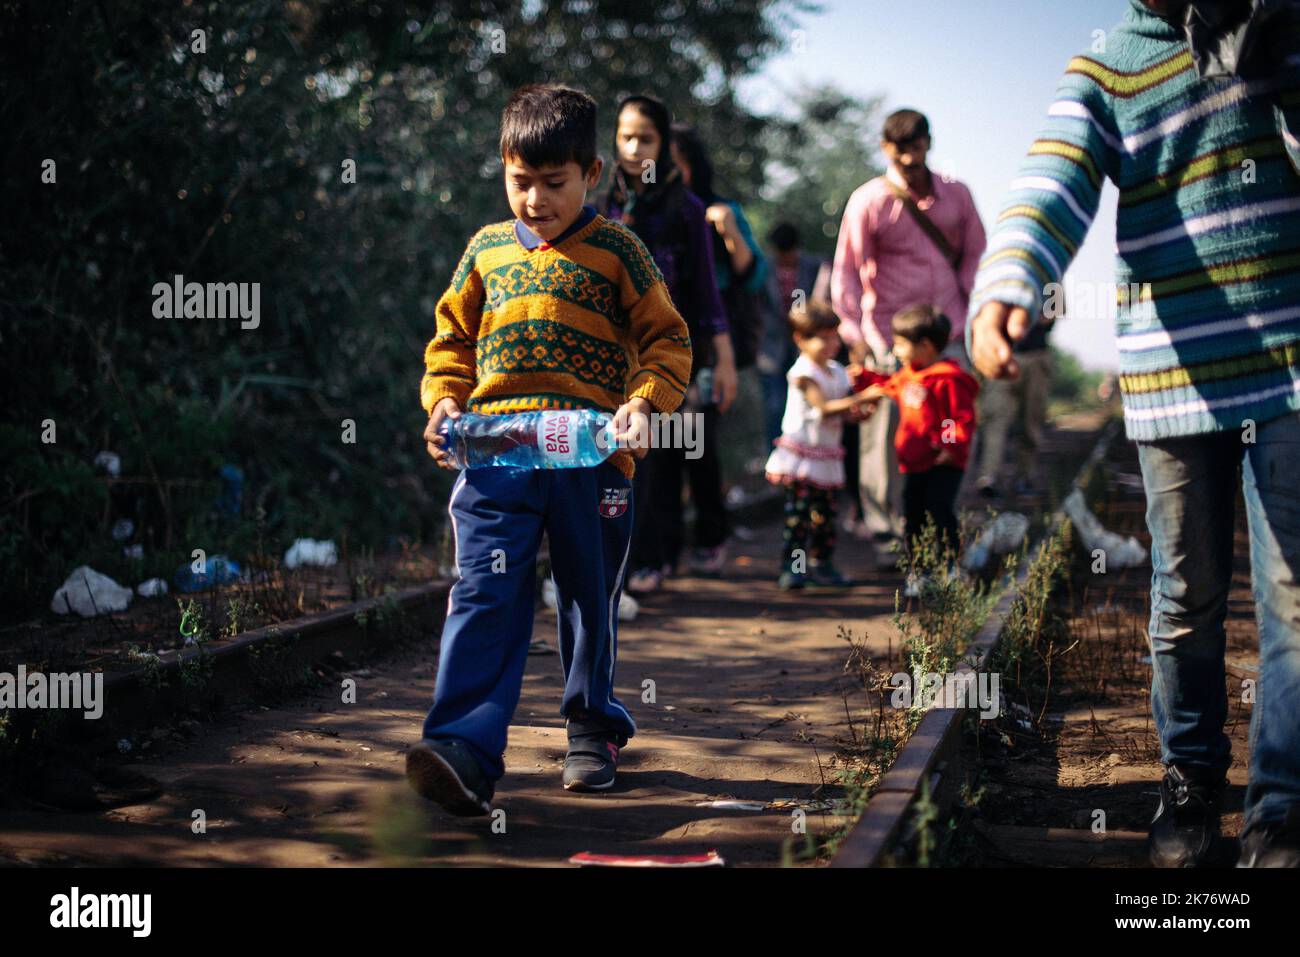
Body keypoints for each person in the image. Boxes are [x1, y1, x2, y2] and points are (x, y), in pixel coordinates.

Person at [967, 0, 1300, 867]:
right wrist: (1008, 283)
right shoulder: (1111, 64)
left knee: (1294, 600)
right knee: (1185, 595)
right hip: (1172, 371)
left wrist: (1274, 63)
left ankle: (1282, 807)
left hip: (1292, 363)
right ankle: (1188, 785)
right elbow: (1052, 180)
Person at [411, 84, 693, 815]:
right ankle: (463, 749)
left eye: (553, 183)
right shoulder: (484, 251)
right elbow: (451, 341)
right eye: (520, 182)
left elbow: (668, 338)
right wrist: (443, 400)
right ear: (503, 170)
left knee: (586, 596)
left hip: (591, 459)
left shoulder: (619, 251)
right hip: (496, 453)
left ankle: (590, 728)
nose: (535, 199)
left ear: (591, 174)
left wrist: (642, 401)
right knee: (482, 591)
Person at [832, 108, 987, 555]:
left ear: (928, 145)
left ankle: (940, 526)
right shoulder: (869, 200)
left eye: (915, 151)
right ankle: (887, 538)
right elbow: (846, 270)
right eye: (899, 153)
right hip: (888, 338)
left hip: (949, 333)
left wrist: (977, 316)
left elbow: (977, 256)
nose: (908, 161)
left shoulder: (958, 196)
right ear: (885, 148)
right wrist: (854, 333)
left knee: (951, 431)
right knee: (884, 438)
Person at [602, 95, 734, 594]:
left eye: (646, 139)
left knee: (658, 454)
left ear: (663, 144)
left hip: (667, 352)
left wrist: (723, 361)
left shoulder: (687, 208)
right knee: (616, 455)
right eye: (626, 137)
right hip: (610, 353)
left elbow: (705, 289)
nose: (635, 148)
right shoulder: (603, 205)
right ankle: (618, 562)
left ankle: (649, 562)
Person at [671, 122, 770, 575]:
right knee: (660, 445)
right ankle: (667, 547)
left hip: (708, 346)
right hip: (660, 341)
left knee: (695, 441)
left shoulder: (719, 209)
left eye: (675, 163)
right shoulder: (646, 214)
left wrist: (728, 230)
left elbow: (752, 274)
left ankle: (710, 536)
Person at [855, 306, 979, 589]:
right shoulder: (909, 374)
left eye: (900, 344)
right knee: (912, 517)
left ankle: (952, 567)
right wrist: (862, 377)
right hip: (914, 463)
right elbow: (887, 385)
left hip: (942, 463)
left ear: (924, 345)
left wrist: (950, 447)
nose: (896, 350)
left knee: (940, 510)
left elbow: (957, 417)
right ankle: (920, 571)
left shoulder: (947, 378)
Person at [764, 300, 878, 590]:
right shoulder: (803, 373)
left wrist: (859, 414)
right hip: (803, 458)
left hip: (826, 457)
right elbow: (825, 408)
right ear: (800, 339)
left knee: (825, 517)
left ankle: (821, 565)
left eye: (833, 336)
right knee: (799, 516)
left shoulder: (837, 371)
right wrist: (862, 399)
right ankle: (794, 568)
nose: (830, 343)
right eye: (822, 338)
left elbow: (841, 414)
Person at [973, 309, 1055, 499]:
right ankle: (988, 477)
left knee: (1030, 422)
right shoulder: (995, 280)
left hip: (1036, 356)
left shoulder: (1050, 280)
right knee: (995, 418)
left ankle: (1025, 477)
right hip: (1001, 356)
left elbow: (1052, 315)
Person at [760, 222, 829, 447]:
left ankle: (807, 453)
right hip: (772, 348)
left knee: (807, 402)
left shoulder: (814, 266)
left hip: (805, 346)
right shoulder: (764, 269)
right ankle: (777, 454)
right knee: (774, 406)